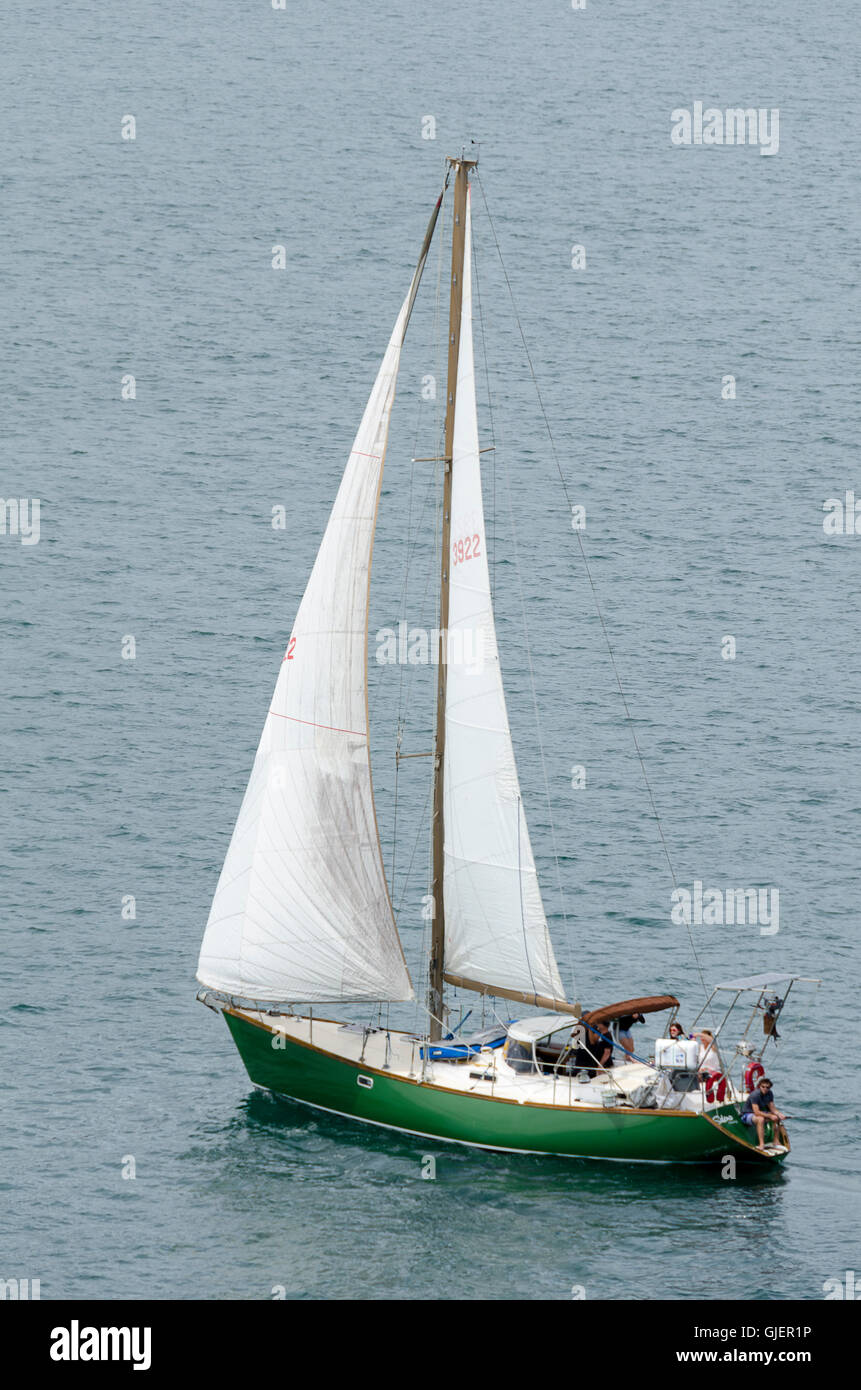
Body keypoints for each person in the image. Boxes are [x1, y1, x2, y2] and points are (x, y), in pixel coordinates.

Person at [741, 1076, 786, 1151]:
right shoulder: (755, 1095)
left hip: (760, 1113)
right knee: (760, 1119)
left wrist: (779, 1114)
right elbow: (756, 1112)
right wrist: (770, 1116)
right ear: (760, 1086)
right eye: (763, 1087)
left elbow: (772, 1108)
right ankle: (761, 1144)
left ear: (770, 1088)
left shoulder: (769, 1093)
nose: (765, 1089)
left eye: (767, 1087)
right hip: (747, 1115)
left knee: (777, 1118)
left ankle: (776, 1141)